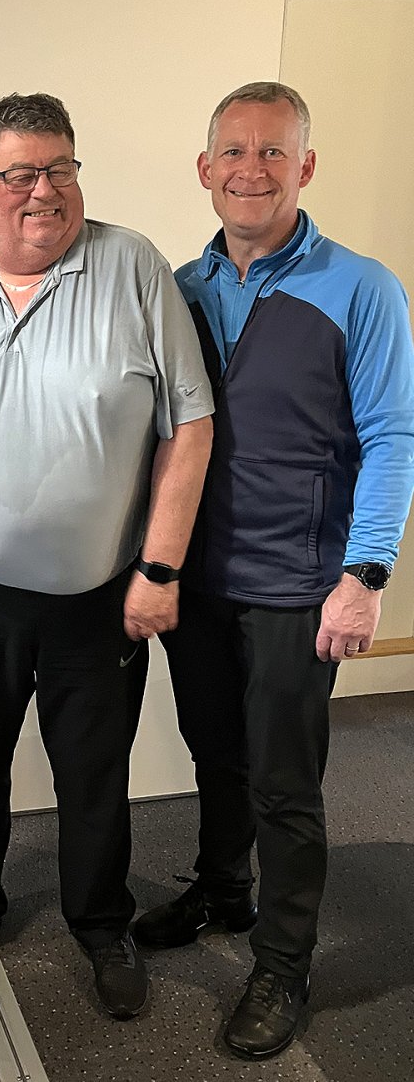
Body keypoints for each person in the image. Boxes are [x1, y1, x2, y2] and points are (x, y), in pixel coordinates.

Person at [0, 92, 213, 1018]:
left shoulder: (132, 265)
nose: (44, 190)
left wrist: (161, 566)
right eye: (20, 173)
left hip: (97, 599)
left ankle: (101, 922)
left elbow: (190, 426)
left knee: (94, 774)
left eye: (60, 168)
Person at [134, 81, 414, 1059]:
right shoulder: (181, 287)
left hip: (300, 587)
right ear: (204, 168)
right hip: (199, 580)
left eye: (272, 152)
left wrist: (364, 574)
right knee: (214, 754)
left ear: (305, 166)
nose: (250, 169)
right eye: (233, 151)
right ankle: (223, 890)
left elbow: (392, 437)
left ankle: (282, 963)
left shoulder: (361, 287)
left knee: (284, 784)